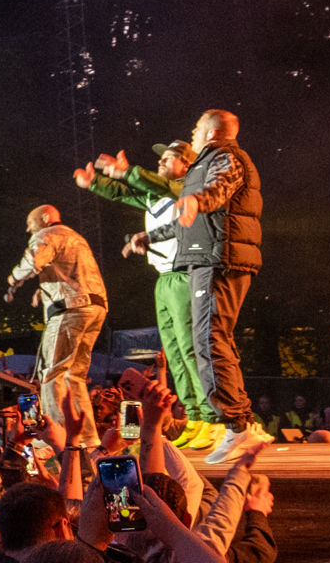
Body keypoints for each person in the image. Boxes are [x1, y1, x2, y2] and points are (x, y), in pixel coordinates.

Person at [128, 110, 269, 464]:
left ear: (212, 132)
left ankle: (237, 426)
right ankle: (242, 423)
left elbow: (217, 190)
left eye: (196, 127)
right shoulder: (206, 163)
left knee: (207, 340)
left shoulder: (225, 157)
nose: (192, 131)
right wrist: (152, 235)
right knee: (214, 339)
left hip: (218, 259)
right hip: (207, 257)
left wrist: (197, 200)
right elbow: (188, 221)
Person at [78, 140, 222, 451]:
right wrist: (96, 183)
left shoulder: (187, 188)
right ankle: (194, 416)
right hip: (164, 277)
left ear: (186, 165)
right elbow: (124, 193)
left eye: (168, 158)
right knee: (175, 352)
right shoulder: (155, 195)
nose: (160, 162)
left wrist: (126, 171)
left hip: (186, 274)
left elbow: (156, 184)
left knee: (192, 347)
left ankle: (213, 418)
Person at [4, 205, 105, 448]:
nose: (29, 230)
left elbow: (33, 260)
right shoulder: (76, 237)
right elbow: (71, 273)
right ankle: (88, 437)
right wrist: (44, 289)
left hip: (69, 310)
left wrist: (14, 277)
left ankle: (55, 435)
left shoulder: (46, 235)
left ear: (45, 217)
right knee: (74, 376)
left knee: (52, 373)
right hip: (95, 307)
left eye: (30, 224)